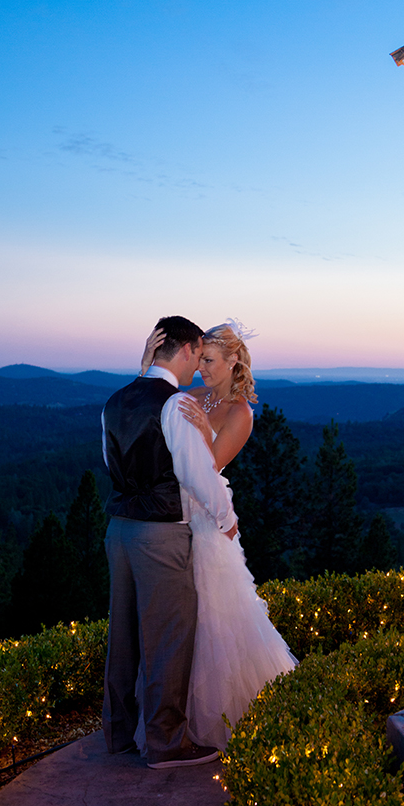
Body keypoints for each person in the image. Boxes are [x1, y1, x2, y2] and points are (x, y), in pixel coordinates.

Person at [139, 319, 297, 750]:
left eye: (210, 361)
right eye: (200, 359)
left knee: (216, 621)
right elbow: (153, 415)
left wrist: (203, 430)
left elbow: (206, 467)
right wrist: (145, 369)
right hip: (174, 519)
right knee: (180, 621)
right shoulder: (191, 395)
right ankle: (173, 716)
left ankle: (225, 716)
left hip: (208, 524)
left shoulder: (240, 413)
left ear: (233, 362)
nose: (202, 368)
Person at [101, 315, 237, 768]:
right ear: (186, 348)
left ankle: (118, 735)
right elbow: (197, 476)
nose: (199, 363)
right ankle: (165, 743)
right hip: (161, 533)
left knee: (122, 637)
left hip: (119, 530)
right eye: (199, 354)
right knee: (168, 639)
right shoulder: (174, 405)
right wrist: (227, 519)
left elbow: (111, 461)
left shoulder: (115, 402)